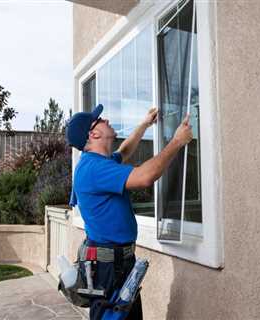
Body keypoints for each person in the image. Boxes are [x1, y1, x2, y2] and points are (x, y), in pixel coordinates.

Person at [65, 104, 192, 320]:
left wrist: (144, 125)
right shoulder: (93, 169)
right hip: (108, 269)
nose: (106, 120)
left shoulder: (100, 162)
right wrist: (177, 141)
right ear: (94, 133)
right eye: (101, 120)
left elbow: (124, 151)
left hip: (118, 264)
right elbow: (145, 177)